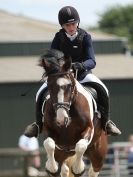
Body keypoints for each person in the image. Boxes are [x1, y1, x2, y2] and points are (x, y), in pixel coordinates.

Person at [24, 6, 121, 138]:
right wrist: (57, 66)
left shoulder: (85, 37)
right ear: (63, 25)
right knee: (40, 92)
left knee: (103, 89)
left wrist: (78, 65)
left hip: (82, 75)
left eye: (74, 23)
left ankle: (107, 123)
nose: (71, 27)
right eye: (67, 25)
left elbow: (92, 61)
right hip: (62, 76)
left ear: (78, 23)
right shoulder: (58, 37)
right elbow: (51, 57)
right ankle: (37, 125)